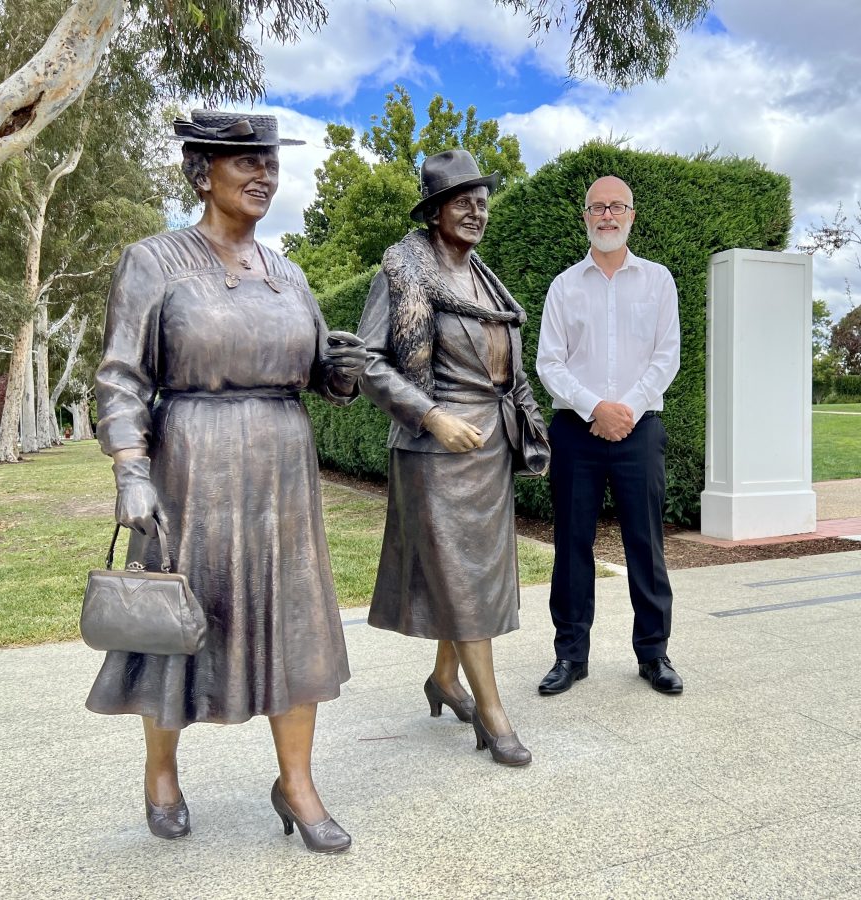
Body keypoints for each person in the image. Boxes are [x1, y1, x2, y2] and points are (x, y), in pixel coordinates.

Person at [90, 110, 366, 853]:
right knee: (172, 627)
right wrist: (130, 468)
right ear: (200, 171)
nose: (262, 174)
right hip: (190, 464)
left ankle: (297, 785)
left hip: (281, 474)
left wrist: (337, 376)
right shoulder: (153, 261)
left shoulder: (290, 272)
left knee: (298, 625)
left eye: (269, 162)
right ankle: (161, 773)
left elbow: (314, 374)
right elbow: (119, 377)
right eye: (243, 161)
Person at [357, 149, 544, 766]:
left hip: (488, 449)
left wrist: (523, 425)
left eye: (482, 199)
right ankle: (493, 715)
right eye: (461, 200)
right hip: (432, 450)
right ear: (435, 211)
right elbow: (369, 363)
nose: (475, 210)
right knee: (462, 579)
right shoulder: (403, 272)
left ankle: (444, 678)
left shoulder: (487, 281)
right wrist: (432, 417)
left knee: (473, 577)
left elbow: (506, 369)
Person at [535, 175, 683, 696]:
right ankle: (570, 656)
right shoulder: (563, 286)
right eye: (597, 207)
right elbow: (549, 362)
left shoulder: (658, 281)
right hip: (577, 431)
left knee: (647, 544)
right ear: (585, 218)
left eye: (617, 206)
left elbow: (668, 357)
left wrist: (628, 410)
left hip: (640, 431)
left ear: (631, 216)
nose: (607, 215)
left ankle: (654, 654)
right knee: (571, 545)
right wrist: (595, 407)